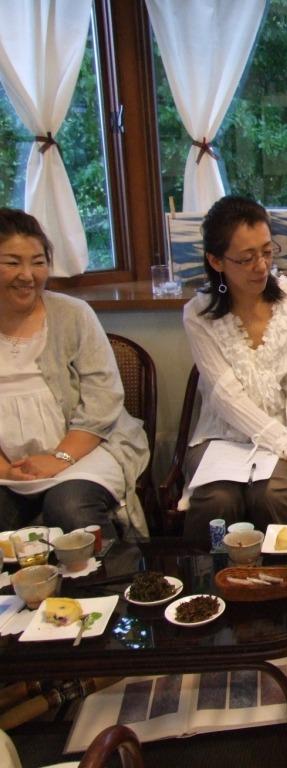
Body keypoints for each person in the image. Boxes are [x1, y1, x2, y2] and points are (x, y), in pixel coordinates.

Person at [181, 195, 287, 542]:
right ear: (216, 261)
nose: (261, 266)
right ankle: (211, 576)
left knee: (275, 495)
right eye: (246, 258)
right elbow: (227, 398)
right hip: (220, 436)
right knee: (216, 501)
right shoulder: (198, 314)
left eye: (267, 252)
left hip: (284, 433)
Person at [0, 208, 149, 541]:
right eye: (12, 263)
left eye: (38, 262)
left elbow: (103, 400)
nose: (27, 275)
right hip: (10, 466)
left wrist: (59, 458)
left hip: (88, 450)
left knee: (69, 508)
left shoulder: (73, 314)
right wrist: (7, 470)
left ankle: (110, 575)